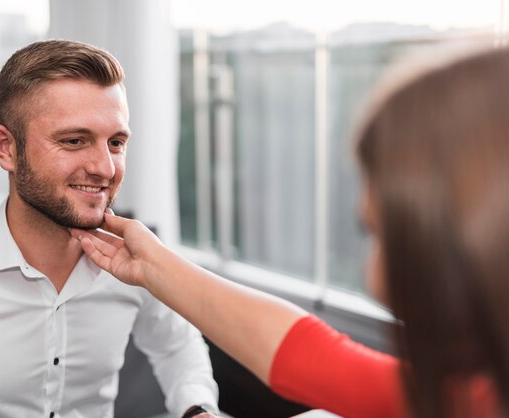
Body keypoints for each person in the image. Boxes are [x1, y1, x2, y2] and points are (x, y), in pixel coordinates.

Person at [72, 44, 509, 418]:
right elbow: (311, 356)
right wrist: (153, 263)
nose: (373, 277)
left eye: (381, 236)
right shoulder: (463, 395)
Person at [0, 40, 220, 418]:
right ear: (6, 148)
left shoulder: (135, 261)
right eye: (74, 141)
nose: (106, 168)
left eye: (116, 142)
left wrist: (196, 408)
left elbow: (177, 344)